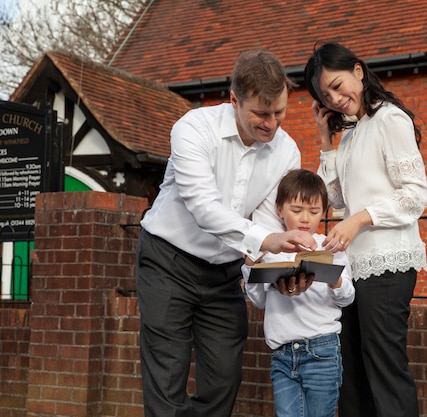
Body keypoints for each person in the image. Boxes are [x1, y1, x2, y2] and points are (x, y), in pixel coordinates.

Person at [135, 49, 317, 417]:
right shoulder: (192, 128)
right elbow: (203, 207)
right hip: (168, 262)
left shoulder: (287, 151)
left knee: (223, 378)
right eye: (261, 114)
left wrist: (276, 273)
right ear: (234, 100)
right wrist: (265, 240)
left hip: (223, 276)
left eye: (279, 112)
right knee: (167, 376)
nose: (272, 124)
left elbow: (268, 224)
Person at [304, 42, 427, 417]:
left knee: (384, 369)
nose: (337, 98)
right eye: (327, 95)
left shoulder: (390, 119)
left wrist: (360, 218)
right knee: (352, 373)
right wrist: (327, 141)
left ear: (359, 71)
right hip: (354, 268)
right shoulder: (354, 133)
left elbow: (415, 195)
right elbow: (337, 200)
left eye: (339, 86)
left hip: (388, 264)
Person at [242, 168, 355, 417]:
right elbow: (259, 300)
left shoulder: (331, 248)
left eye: (314, 212)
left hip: (322, 351)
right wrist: (251, 265)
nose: (305, 219)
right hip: (282, 354)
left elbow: (347, 297)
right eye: (296, 210)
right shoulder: (272, 250)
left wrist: (332, 278)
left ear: (323, 213)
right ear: (280, 210)